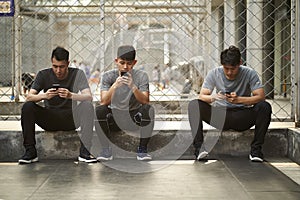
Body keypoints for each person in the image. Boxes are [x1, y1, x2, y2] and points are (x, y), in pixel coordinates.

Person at [188, 45, 272, 162]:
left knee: (265, 107)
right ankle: (199, 149)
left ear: (240, 63)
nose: (229, 72)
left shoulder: (249, 73)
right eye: (226, 68)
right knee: (194, 105)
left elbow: (261, 96)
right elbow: (202, 96)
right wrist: (214, 97)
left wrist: (239, 100)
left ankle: (256, 150)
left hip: (242, 116)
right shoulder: (214, 73)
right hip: (220, 116)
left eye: (233, 68)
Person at [18, 46, 97, 164]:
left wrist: (71, 95)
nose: (58, 70)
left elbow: (88, 97)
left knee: (87, 106)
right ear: (51, 63)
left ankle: (85, 152)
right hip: (50, 119)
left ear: (68, 64)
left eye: (62, 67)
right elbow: (29, 97)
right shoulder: (43, 74)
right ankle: (30, 152)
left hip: (71, 119)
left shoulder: (77, 74)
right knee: (28, 106)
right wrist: (45, 96)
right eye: (55, 66)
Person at [95, 45, 154, 161]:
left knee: (148, 109)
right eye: (122, 63)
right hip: (114, 118)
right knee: (99, 110)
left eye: (129, 63)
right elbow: (103, 101)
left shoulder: (141, 76)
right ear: (116, 61)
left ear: (134, 62)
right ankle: (106, 150)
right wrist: (115, 86)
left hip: (133, 118)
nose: (125, 67)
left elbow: (145, 101)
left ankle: (142, 150)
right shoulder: (108, 76)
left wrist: (133, 87)